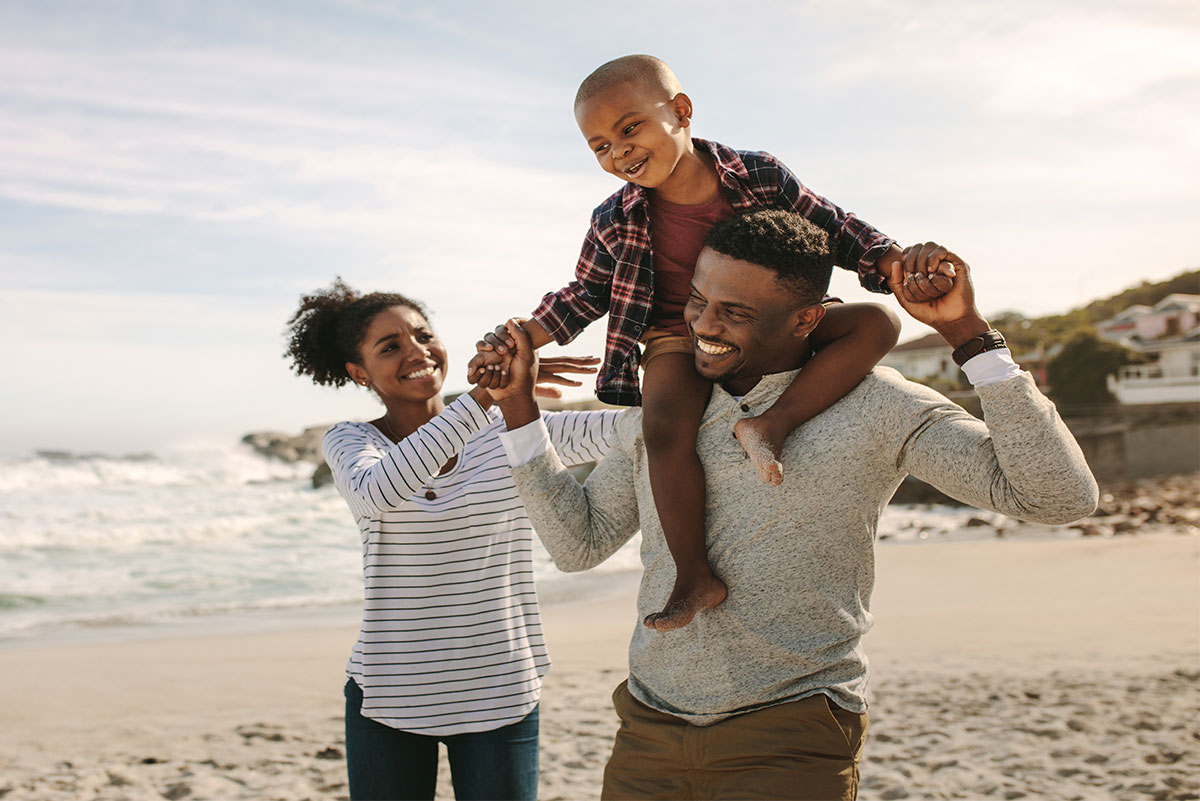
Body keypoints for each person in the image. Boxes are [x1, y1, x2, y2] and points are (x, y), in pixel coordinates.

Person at [481, 210, 1099, 801]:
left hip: (793, 731)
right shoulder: (667, 413)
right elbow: (577, 544)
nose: (703, 326)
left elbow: (1058, 496)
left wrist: (967, 335)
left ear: (806, 320)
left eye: (735, 313)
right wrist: (519, 413)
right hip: (649, 728)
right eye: (697, 300)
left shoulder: (876, 404)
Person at [470, 54, 955, 632]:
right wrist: (519, 337)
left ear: (680, 111)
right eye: (599, 146)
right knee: (664, 424)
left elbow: (833, 227)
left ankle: (770, 425)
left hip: (767, 323)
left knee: (876, 324)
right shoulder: (613, 218)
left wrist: (892, 261)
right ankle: (693, 574)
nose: (618, 152)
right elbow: (584, 294)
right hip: (677, 334)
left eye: (629, 129)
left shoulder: (758, 175)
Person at [283, 279, 620, 801]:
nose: (416, 352)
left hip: (501, 688)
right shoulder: (351, 440)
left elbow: (632, 430)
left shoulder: (511, 426)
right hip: (391, 694)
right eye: (390, 347)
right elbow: (380, 490)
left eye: (423, 336)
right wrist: (485, 394)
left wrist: (520, 396)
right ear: (358, 372)